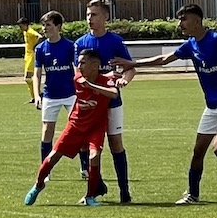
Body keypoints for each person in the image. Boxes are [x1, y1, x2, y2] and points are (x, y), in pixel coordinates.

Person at [133, 4, 217, 205]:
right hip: (212, 106)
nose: (179, 24)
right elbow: (164, 59)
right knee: (198, 151)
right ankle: (193, 195)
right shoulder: (190, 45)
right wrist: (132, 64)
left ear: (197, 21)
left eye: (183, 19)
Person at [25, 49, 132, 206]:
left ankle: (90, 196)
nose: (79, 66)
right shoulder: (78, 78)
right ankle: (38, 184)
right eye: (79, 62)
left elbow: (114, 93)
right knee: (53, 156)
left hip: (96, 127)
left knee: (94, 156)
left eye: (83, 62)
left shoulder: (104, 81)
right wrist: (90, 84)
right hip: (76, 125)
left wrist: (92, 85)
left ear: (95, 65)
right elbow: (87, 87)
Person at [74, 0, 135, 204]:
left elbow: (130, 68)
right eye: (88, 15)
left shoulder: (115, 41)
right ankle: (96, 185)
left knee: (115, 143)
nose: (90, 18)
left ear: (106, 16)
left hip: (111, 102)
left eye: (94, 14)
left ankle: (124, 191)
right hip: (89, 103)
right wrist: (97, 79)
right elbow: (77, 74)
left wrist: (124, 80)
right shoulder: (80, 43)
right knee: (84, 144)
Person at [32, 11, 77, 163]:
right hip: (50, 95)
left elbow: (77, 70)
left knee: (77, 129)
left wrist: (81, 91)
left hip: (71, 94)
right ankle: (45, 168)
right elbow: (37, 74)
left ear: (58, 27)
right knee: (47, 130)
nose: (44, 28)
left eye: (48, 25)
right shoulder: (40, 49)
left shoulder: (70, 46)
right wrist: (37, 95)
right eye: (43, 25)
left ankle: (85, 167)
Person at [18, 17, 41, 104]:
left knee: (27, 78)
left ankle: (37, 95)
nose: (20, 28)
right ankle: (35, 96)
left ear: (25, 25)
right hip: (27, 57)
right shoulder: (25, 32)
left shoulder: (31, 31)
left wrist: (35, 46)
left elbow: (39, 36)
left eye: (21, 26)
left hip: (32, 56)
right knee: (27, 79)